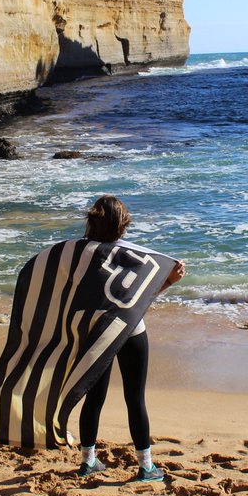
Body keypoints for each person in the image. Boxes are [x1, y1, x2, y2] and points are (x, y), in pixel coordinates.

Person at [78, 195, 184, 481]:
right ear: (123, 225)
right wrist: (170, 281)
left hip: (94, 331)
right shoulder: (133, 256)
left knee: (93, 399)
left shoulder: (82, 255)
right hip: (129, 331)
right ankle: (146, 466)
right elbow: (136, 300)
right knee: (134, 398)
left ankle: (88, 461)